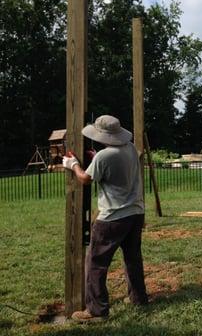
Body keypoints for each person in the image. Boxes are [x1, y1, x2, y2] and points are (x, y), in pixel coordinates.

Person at [63, 115, 148, 323]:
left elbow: (85, 179)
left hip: (113, 217)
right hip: (135, 213)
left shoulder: (104, 156)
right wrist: (95, 158)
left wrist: (72, 164)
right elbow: (111, 167)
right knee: (133, 258)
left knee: (95, 263)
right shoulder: (130, 148)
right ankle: (138, 298)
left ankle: (96, 310)